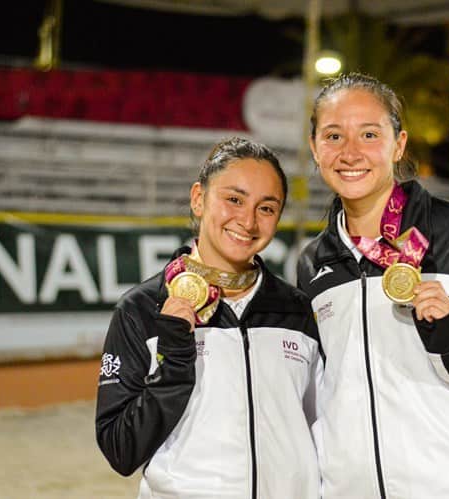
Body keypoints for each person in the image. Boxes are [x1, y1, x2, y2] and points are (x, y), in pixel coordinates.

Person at [297, 73, 449, 499]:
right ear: (315, 147)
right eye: (333, 136)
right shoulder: (312, 262)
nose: (350, 152)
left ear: (399, 144)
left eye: (369, 134)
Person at [96, 137, 323, 499]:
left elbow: (321, 428)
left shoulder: (296, 309)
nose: (247, 221)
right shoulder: (142, 308)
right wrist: (173, 359)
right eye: (234, 199)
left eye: (266, 208)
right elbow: (120, 450)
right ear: (199, 199)